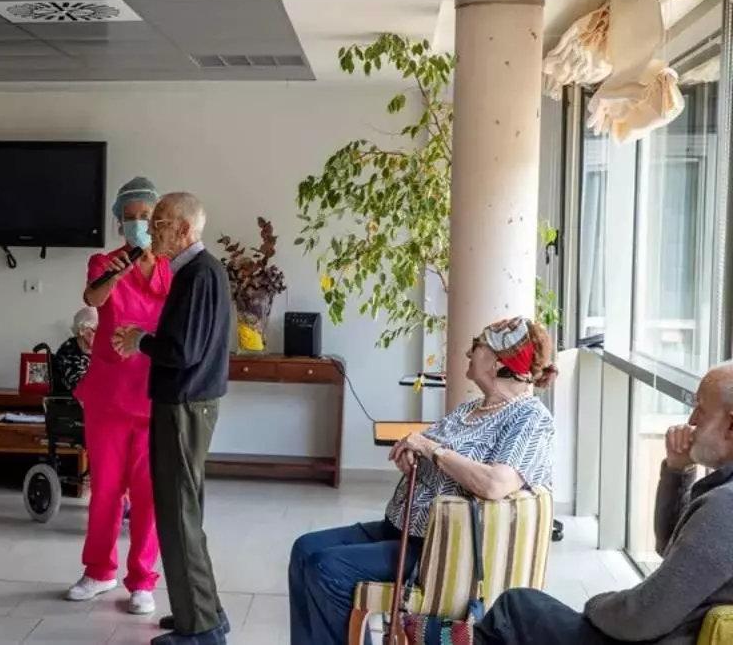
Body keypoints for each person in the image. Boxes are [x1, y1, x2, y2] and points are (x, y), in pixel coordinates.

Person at [288, 317, 558, 645]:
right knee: (304, 549)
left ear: (498, 362)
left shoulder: (529, 418)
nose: (467, 351)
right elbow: (428, 448)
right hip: (402, 529)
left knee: (326, 569)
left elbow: (495, 484)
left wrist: (431, 449)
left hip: (439, 551)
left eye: (477, 345)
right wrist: (412, 453)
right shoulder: (472, 408)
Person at [474, 363, 733, 645]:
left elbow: (641, 617)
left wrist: (594, 605)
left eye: (701, 410)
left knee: (515, 609)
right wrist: (677, 470)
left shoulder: (725, 506)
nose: (692, 419)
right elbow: (668, 547)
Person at [113, 191, 232, 645]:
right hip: (188, 401)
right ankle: (202, 612)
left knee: (178, 514)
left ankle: (200, 627)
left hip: (183, 404)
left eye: (159, 222)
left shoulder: (199, 274)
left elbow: (184, 351)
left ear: (184, 230)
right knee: (184, 512)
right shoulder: (197, 272)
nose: (150, 230)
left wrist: (142, 339)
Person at [65, 177, 172, 616]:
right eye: (129, 219)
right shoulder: (103, 262)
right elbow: (93, 297)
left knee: (148, 493)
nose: (137, 226)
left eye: (145, 218)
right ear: (118, 223)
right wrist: (120, 270)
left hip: (153, 394)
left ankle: (143, 581)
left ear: (159, 221)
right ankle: (98, 571)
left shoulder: (171, 267)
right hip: (108, 395)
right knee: (106, 489)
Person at [51, 306, 98, 396]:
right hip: (71, 407)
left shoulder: (97, 351)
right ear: (82, 331)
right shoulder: (69, 352)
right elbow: (82, 387)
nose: (101, 335)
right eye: (96, 330)